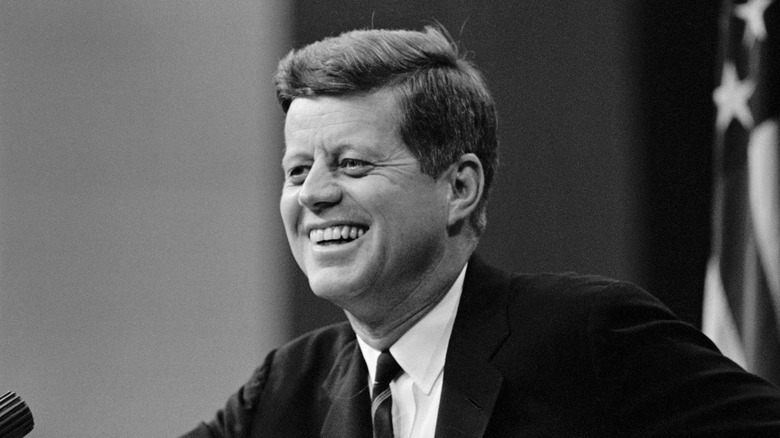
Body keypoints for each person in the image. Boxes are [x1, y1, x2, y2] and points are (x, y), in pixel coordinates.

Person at [181, 26, 780, 437]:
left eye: (353, 164)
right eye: (296, 171)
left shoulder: (589, 340)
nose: (313, 193)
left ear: (459, 188)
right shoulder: (284, 390)